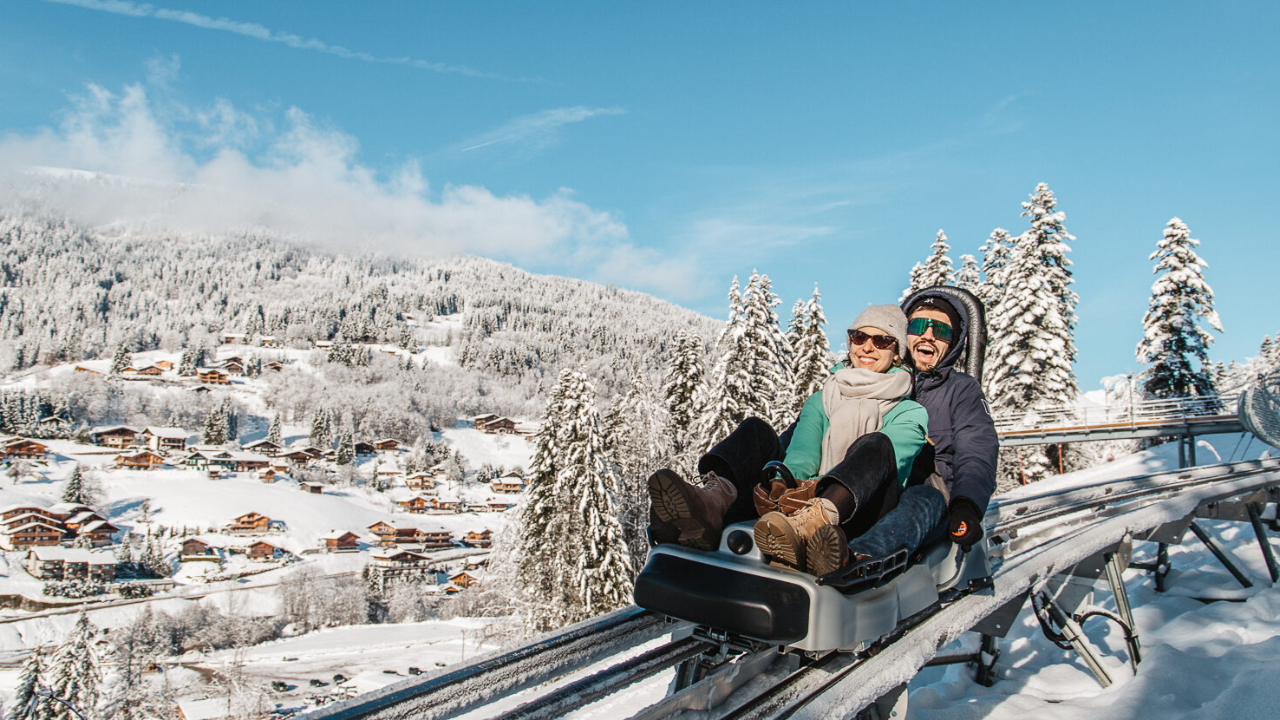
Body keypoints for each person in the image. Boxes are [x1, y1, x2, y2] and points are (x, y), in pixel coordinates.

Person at [648, 304, 928, 576]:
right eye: (860, 337)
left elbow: (894, 463)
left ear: (897, 354)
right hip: (806, 501)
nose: (867, 346)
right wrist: (783, 483)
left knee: (876, 443)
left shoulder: (909, 412)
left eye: (881, 341)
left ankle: (816, 529)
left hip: (862, 508)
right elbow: (803, 453)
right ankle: (710, 504)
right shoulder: (823, 399)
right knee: (755, 430)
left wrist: (822, 500)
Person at [805, 288, 999, 585]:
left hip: (929, 492)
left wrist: (966, 505)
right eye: (918, 326)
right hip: (873, 487)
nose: (928, 335)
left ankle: (856, 558)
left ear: (954, 342)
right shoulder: (880, 378)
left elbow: (977, 449)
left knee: (922, 499)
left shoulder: (961, 390)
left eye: (941, 330)